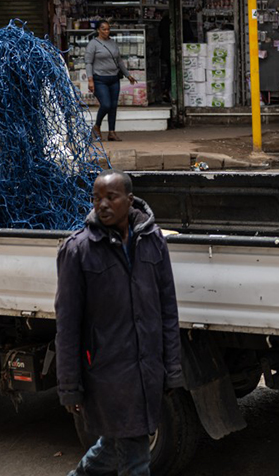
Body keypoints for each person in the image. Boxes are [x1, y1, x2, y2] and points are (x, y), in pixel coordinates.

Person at [56, 169, 182, 476]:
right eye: (97, 198)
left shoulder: (153, 242)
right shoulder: (78, 250)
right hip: (108, 375)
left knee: (118, 444)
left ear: (130, 200)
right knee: (135, 460)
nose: (102, 205)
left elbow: (168, 310)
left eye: (111, 197)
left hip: (148, 369)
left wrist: (172, 370)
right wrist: (70, 387)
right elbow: (68, 326)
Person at [85, 20, 137, 142]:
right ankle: (97, 126)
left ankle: (111, 132)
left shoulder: (112, 43)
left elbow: (119, 61)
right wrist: (90, 80)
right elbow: (88, 63)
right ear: (98, 30)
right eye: (104, 29)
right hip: (99, 79)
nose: (106, 31)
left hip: (114, 78)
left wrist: (128, 75)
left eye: (108, 29)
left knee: (113, 106)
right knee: (106, 104)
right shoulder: (93, 44)